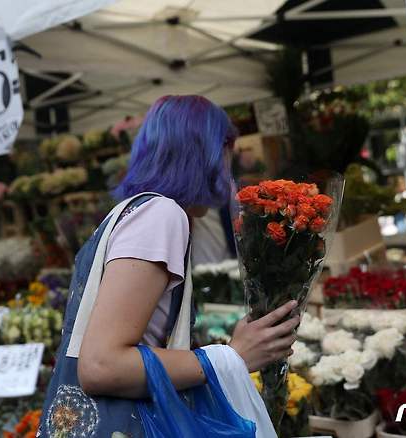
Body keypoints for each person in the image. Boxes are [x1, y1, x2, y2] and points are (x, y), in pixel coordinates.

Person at [39, 95, 298, 436]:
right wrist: (229, 357)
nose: (227, 170)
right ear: (207, 153)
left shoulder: (131, 213)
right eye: (226, 157)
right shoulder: (162, 215)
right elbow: (101, 365)